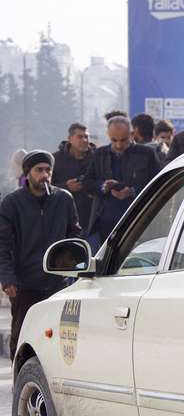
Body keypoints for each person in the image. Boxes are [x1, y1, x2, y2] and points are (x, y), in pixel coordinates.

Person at [0, 150, 81, 356]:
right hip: (24, 283)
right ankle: (21, 381)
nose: (44, 174)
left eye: (48, 170)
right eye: (39, 170)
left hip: (56, 282)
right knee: (22, 334)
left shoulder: (63, 199)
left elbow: (74, 234)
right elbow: (3, 244)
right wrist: (8, 279)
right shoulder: (12, 203)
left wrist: (71, 265)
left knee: (56, 334)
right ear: (28, 173)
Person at [81, 115, 161, 247]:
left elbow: (157, 184)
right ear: (108, 135)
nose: (118, 145)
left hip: (137, 220)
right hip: (104, 222)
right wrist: (103, 187)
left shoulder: (146, 154)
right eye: (114, 140)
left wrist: (132, 191)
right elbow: (87, 183)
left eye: (123, 140)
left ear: (132, 134)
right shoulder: (100, 154)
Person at [53, 122, 95, 233]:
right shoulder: (56, 160)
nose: (84, 140)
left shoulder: (97, 158)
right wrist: (65, 186)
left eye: (86, 137)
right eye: (80, 137)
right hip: (64, 220)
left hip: (92, 221)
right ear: (70, 139)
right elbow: (46, 187)